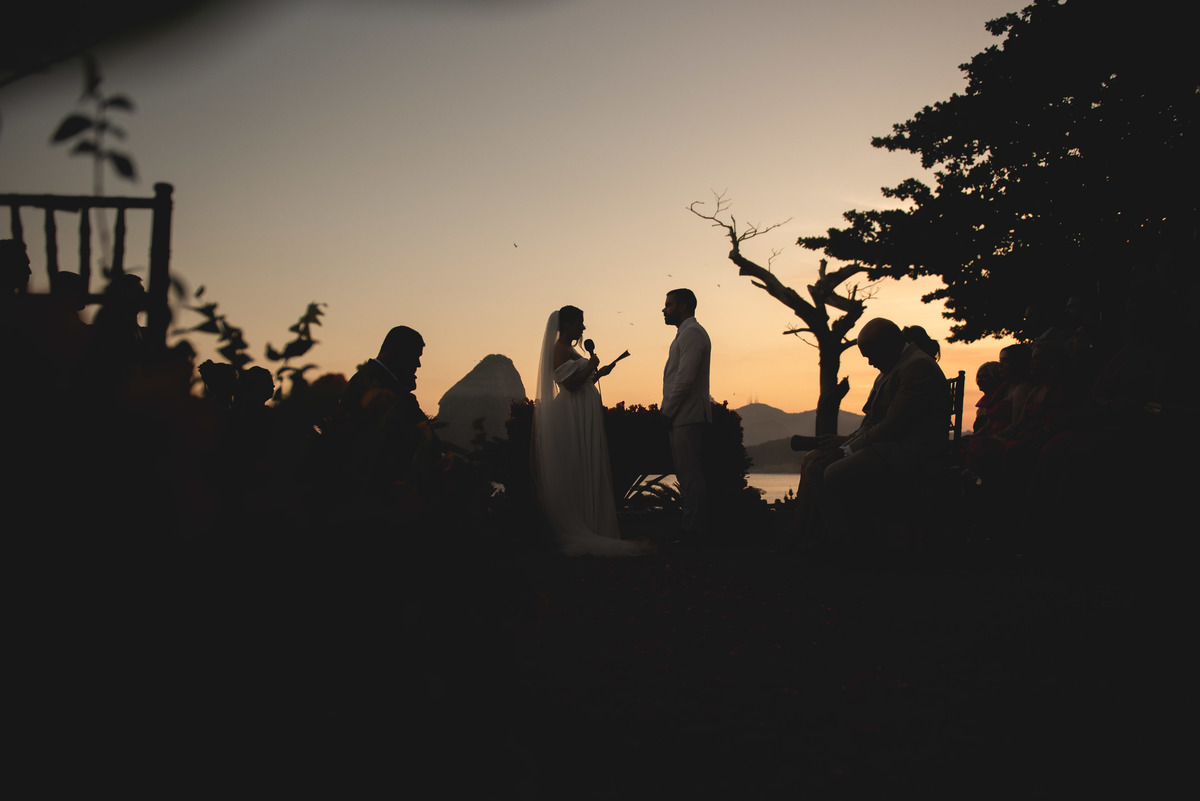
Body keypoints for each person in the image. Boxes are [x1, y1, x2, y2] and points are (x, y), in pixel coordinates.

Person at [798, 318, 947, 543]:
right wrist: (845, 443)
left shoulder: (917, 367)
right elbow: (870, 422)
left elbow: (893, 425)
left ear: (889, 346)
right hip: (888, 446)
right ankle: (818, 538)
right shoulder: (893, 367)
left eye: (870, 355)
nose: (869, 363)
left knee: (830, 472)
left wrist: (846, 451)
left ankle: (849, 543)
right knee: (814, 462)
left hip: (910, 453)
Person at [533, 305, 649, 556]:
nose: (583, 328)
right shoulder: (559, 349)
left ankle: (593, 521)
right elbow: (568, 385)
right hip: (573, 412)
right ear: (567, 324)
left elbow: (581, 381)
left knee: (589, 461)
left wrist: (598, 373)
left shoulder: (571, 349)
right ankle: (584, 523)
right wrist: (590, 366)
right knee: (579, 461)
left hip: (583, 410)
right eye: (579, 323)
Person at [661, 288, 712, 540]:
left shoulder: (692, 334)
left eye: (668, 305)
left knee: (690, 474)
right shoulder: (686, 334)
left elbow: (685, 378)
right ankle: (691, 526)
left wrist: (667, 412)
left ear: (683, 307)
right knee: (686, 473)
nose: (664, 309)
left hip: (686, 414)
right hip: (684, 414)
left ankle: (694, 529)